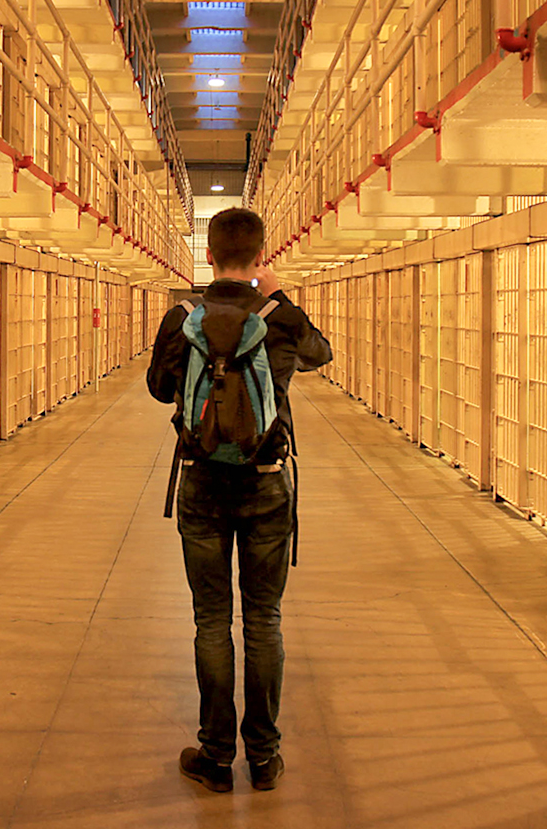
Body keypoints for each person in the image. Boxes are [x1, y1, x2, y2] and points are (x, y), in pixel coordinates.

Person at [147, 206, 333, 793]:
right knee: (264, 619)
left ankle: (216, 755)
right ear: (259, 257)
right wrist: (279, 296)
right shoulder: (277, 316)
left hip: (202, 482)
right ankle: (265, 756)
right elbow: (321, 353)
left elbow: (158, 390)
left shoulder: (183, 317)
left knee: (210, 621)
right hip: (266, 482)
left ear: (207, 255)